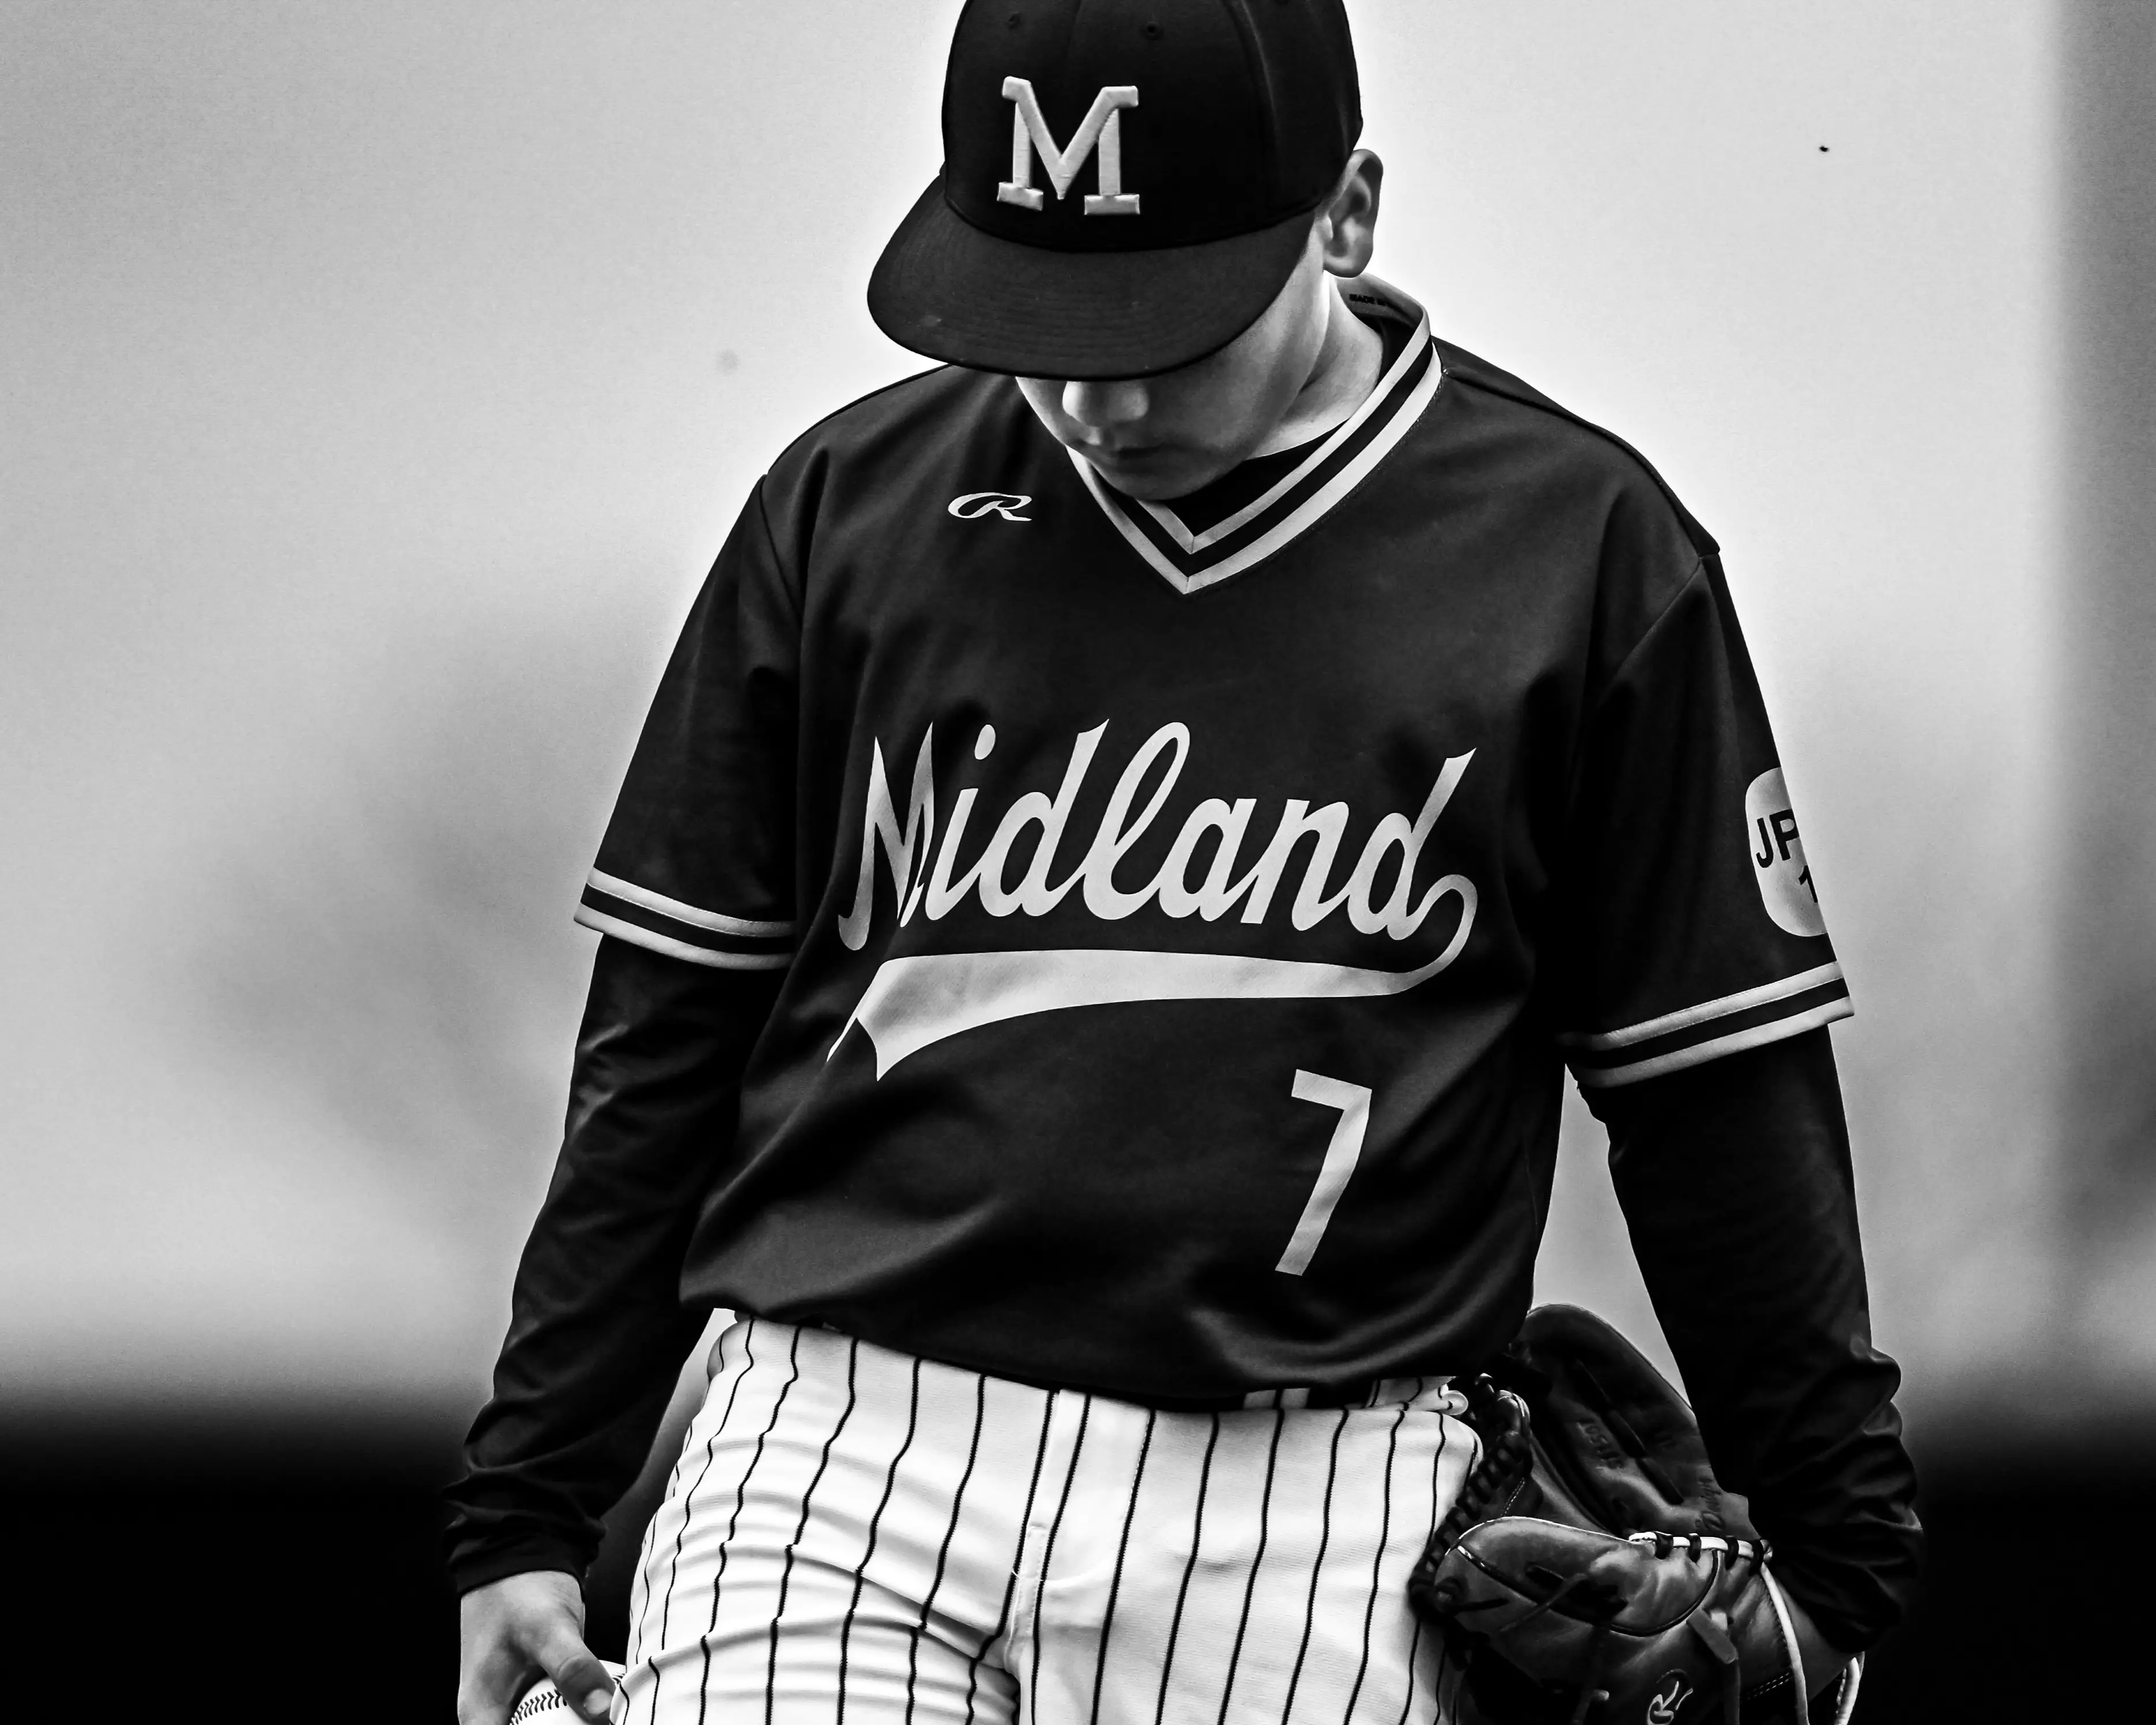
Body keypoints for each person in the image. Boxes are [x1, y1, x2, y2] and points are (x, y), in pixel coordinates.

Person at [447, 3, 1922, 1722]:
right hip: (836, 1450)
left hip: (1314, 1510)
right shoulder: (851, 507)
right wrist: (531, 1498)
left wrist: (1837, 1563)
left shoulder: (1576, 548)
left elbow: (1711, 1098)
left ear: (1345, 215)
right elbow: (664, 1046)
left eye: (1167, 321)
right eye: (1040, 318)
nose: (1097, 395)